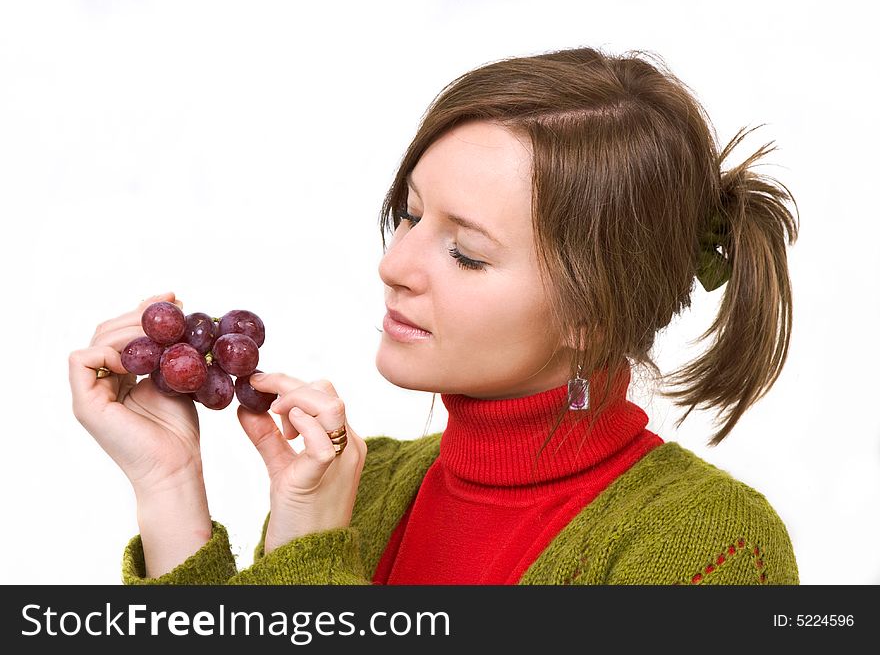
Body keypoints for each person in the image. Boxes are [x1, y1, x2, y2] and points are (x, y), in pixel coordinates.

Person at [69, 46, 799, 585]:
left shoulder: (713, 550)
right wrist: (169, 488)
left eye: (467, 253)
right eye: (411, 215)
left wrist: (309, 559)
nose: (394, 266)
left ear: (594, 312)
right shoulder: (363, 485)